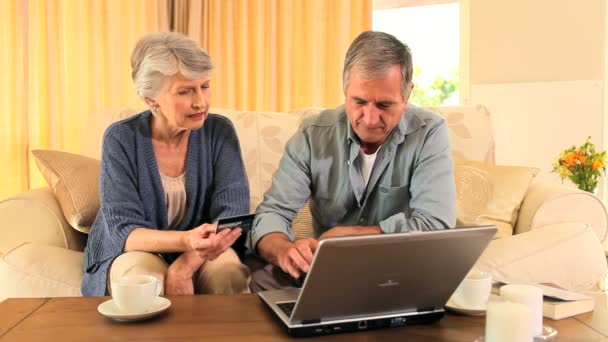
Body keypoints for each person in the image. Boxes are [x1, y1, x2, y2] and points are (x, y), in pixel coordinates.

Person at [247, 31, 456, 291]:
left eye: (384, 105)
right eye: (359, 101)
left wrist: (347, 237)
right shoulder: (312, 134)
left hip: (400, 271)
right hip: (328, 271)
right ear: (345, 90)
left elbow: (435, 225)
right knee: (259, 283)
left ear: (407, 96)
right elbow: (272, 214)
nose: (369, 118)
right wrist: (284, 251)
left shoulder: (429, 133)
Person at [81, 32, 250, 296]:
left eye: (204, 86)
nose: (201, 102)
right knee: (142, 279)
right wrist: (186, 240)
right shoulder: (120, 138)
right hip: (139, 249)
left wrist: (183, 266)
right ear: (151, 99)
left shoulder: (220, 131)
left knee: (227, 271)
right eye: (185, 91)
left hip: (201, 250)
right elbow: (125, 231)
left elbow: (231, 216)